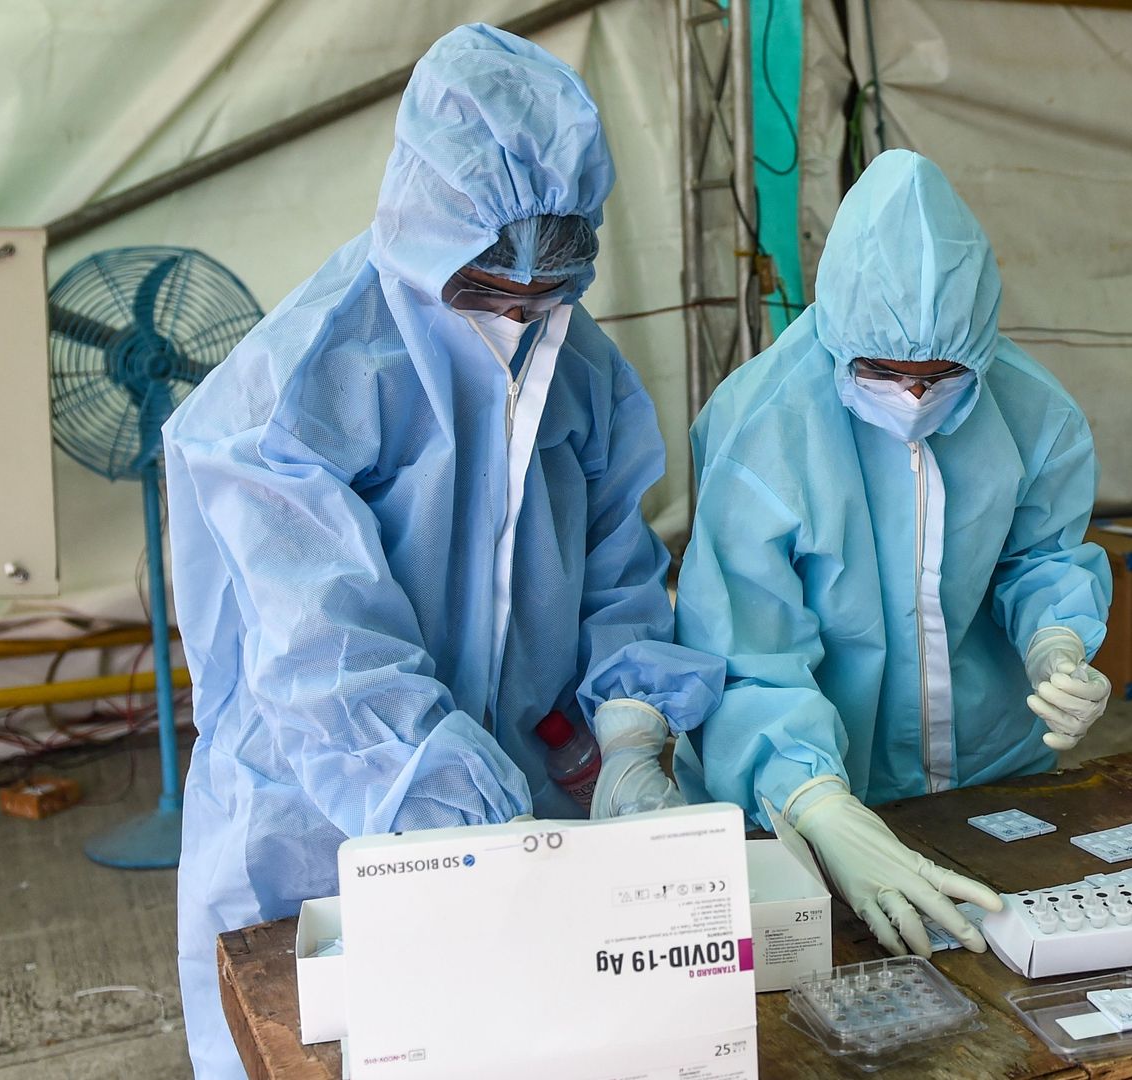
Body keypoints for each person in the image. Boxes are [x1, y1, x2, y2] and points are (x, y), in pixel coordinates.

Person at [164, 26, 718, 1076]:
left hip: (523, 804)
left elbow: (616, 569)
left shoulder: (578, 366)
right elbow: (324, 646)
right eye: (488, 290)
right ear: (427, 226)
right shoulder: (294, 389)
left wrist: (635, 727)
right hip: (320, 818)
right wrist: (432, 780)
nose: (521, 317)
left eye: (549, 289)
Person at [674, 149, 1113, 958]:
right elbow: (741, 649)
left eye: (940, 376)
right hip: (811, 797)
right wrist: (814, 798)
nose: (913, 397)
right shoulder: (762, 428)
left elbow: (1042, 555)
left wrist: (1056, 637)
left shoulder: (1034, 410)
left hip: (994, 775)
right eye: (881, 371)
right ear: (841, 330)